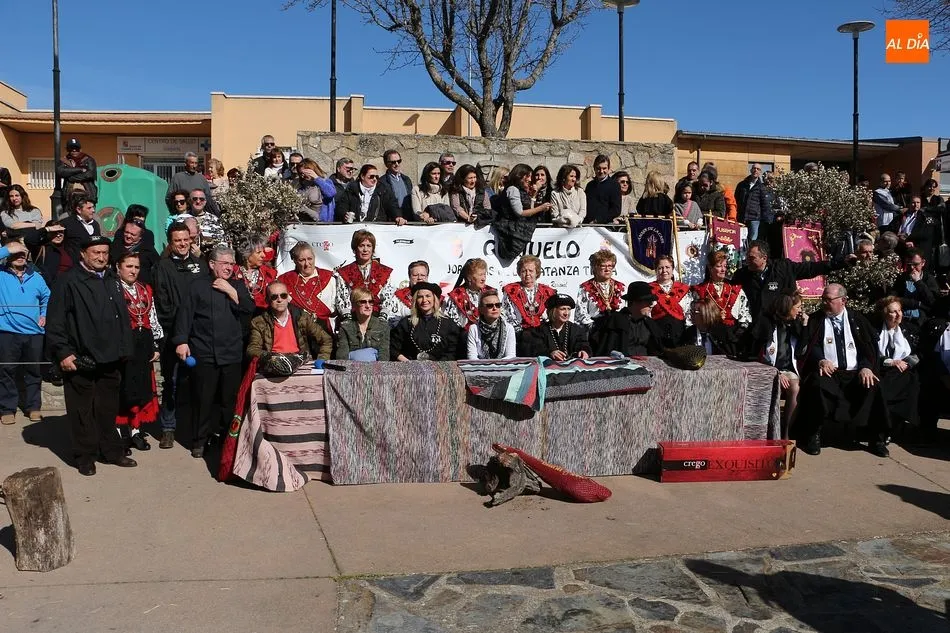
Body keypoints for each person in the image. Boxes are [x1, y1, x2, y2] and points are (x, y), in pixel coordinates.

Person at [46, 235, 137, 475]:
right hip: (81, 357)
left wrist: (125, 349)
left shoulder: (111, 279)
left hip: (110, 357)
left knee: (108, 409)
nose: (101, 257)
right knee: (81, 411)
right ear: (83, 254)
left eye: (105, 253)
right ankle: (84, 456)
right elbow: (55, 322)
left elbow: (121, 318)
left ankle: (111, 451)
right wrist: (64, 353)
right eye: (95, 252)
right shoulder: (68, 281)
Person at [173, 245, 254, 458]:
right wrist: (181, 341)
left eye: (231, 263)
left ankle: (228, 439)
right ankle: (200, 440)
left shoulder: (238, 285)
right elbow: (185, 315)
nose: (229, 267)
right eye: (224, 263)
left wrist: (230, 290)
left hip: (231, 353)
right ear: (211, 264)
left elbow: (248, 309)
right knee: (203, 399)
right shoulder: (196, 286)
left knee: (229, 402)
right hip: (204, 352)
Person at [795, 283, 887, 458]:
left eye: (828, 300)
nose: (824, 303)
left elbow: (869, 348)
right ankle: (813, 435)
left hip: (855, 372)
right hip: (829, 371)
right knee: (816, 385)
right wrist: (820, 360)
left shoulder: (857, 319)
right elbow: (809, 347)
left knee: (874, 386)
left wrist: (866, 367)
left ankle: (877, 439)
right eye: (823, 299)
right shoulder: (817, 320)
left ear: (843, 301)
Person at [152, 222, 209, 449]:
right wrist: (180, 336)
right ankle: (168, 428)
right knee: (172, 383)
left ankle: (199, 431)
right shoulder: (162, 267)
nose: (183, 244)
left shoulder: (201, 266)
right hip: (173, 337)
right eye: (178, 240)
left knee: (200, 385)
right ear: (170, 242)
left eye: (186, 239)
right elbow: (163, 305)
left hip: (199, 336)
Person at [114, 252, 163, 452]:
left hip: (143, 344)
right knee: (122, 391)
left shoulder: (145, 289)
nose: (133, 270)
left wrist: (156, 345)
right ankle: (117, 434)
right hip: (122, 346)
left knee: (140, 389)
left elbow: (152, 317)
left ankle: (135, 431)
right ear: (118, 267)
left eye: (136, 267)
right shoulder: (112, 289)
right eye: (129, 266)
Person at [732, 240, 840, 324]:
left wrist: (840, 263)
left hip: (783, 326)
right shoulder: (741, 275)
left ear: (764, 258)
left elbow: (811, 268)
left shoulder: (783, 268)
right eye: (747, 257)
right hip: (755, 330)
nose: (747, 261)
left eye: (752, 258)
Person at [0, 239, 48, 426]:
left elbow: (47, 296)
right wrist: (7, 248)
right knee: (6, 371)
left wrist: (44, 314)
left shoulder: (36, 276)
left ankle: (33, 407)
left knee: (34, 371)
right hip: (6, 331)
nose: (21, 255)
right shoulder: (1, 274)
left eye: (23, 252)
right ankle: (7, 409)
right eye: (16, 252)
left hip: (34, 333)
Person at [750, 291, 807, 439]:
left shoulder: (795, 324)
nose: (800, 310)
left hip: (789, 369)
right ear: (788, 308)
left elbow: (802, 351)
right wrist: (775, 372)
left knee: (795, 387)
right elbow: (756, 354)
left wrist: (805, 327)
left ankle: (786, 434)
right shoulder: (766, 322)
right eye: (798, 307)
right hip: (768, 369)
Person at [247, 281, 333, 361]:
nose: (279, 300)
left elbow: (326, 339)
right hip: (273, 364)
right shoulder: (259, 322)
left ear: (288, 298)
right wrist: (271, 357)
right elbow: (252, 350)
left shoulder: (302, 317)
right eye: (274, 297)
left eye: (283, 295)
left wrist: (322, 359)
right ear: (267, 300)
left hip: (300, 363)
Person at [874, 296, 920, 433]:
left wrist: (907, 362)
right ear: (884, 313)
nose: (899, 314)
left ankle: (896, 423)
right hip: (882, 370)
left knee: (911, 383)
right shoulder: (875, 330)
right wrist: (890, 362)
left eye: (900, 310)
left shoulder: (910, 329)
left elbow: (920, 352)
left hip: (906, 371)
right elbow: (871, 353)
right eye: (893, 311)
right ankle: (884, 425)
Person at [492, 163, 553, 262]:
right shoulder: (513, 189)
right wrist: (541, 208)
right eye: (528, 176)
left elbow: (530, 210)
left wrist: (533, 196)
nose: (530, 179)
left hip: (517, 229)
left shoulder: (522, 191)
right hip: (511, 231)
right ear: (520, 175)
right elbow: (520, 212)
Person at [589, 281, 665, 357]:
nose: (651, 305)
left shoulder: (649, 324)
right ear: (635, 302)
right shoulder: (616, 321)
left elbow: (657, 350)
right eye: (647, 302)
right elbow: (607, 349)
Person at [391, 282, 462, 361]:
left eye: (428, 296)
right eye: (420, 297)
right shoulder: (406, 323)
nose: (424, 300)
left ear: (434, 298)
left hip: (440, 369)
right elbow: (393, 349)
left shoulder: (448, 324)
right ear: (415, 300)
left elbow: (453, 352)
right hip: (410, 368)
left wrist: (437, 366)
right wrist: (408, 363)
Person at [278, 241, 339, 332]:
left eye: (310, 259)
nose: (307, 264)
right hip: (296, 330)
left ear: (314, 257)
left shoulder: (329, 278)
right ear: (294, 261)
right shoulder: (285, 281)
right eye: (302, 260)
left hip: (326, 331)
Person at [334, 229, 395, 318]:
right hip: (353, 318)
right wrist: (348, 319)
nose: (365, 249)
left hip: (378, 317)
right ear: (355, 249)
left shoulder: (384, 271)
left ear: (373, 249)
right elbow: (342, 297)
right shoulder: (345, 272)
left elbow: (388, 297)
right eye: (361, 246)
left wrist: (382, 317)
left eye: (369, 246)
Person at [517, 294, 592, 359]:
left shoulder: (576, 329)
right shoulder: (539, 330)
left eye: (568, 309)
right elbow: (536, 350)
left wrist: (584, 351)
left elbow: (583, 344)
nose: (566, 313)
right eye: (562, 309)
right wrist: (550, 353)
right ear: (553, 311)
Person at [691, 250, 751, 329]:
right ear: (710, 267)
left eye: (725, 266)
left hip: (732, 334)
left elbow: (745, 314)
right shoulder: (700, 290)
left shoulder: (735, 288)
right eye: (719, 266)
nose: (723, 270)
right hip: (710, 333)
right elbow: (694, 316)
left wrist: (740, 332)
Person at [335, 164, 405, 225]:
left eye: (376, 177)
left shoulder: (383, 189)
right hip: (355, 227)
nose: (374, 179)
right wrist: (344, 214)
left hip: (377, 227)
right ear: (362, 176)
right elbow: (342, 206)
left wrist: (398, 216)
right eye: (371, 176)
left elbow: (393, 205)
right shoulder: (351, 189)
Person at [502, 255, 555, 333]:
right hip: (519, 334)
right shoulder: (511, 290)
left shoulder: (547, 291)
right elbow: (506, 314)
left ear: (537, 272)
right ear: (519, 273)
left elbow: (552, 315)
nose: (527, 274)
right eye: (524, 271)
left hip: (543, 333)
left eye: (531, 271)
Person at [335, 287, 389, 361]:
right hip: (351, 369)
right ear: (354, 304)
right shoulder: (345, 327)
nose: (368, 306)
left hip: (375, 370)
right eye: (363, 302)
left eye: (370, 302)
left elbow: (384, 357)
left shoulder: (383, 326)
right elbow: (342, 358)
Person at [649, 255, 691, 348]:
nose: (664, 271)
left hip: (679, 336)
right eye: (660, 268)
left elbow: (688, 313)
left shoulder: (683, 289)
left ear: (672, 269)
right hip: (656, 337)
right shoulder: (649, 289)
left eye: (667, 267)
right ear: (656, 270)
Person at [575, 250, 625, 327]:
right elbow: (581, 314)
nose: (607, 269)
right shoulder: (585, 287)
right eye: (603, 266)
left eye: (610, 266)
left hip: (618, 329)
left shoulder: (621, 287)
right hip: (595, 331)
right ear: (595, 267)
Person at [444, 257, 495, 329]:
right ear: (469, 278)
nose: (483, 278)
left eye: (484, 274)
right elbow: (451, 324)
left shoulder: (491, 292)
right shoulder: (456, 295)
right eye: (480, 275)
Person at [892, 249, 939, 326]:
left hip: (922, 321)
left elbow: (932, 301)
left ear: (923, 263)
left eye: (915, 264)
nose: (912, 267)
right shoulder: (900, 278)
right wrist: (917, 304)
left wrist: (918, 282)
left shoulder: (929, 279)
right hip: (902, 319)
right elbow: (893, 298)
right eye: (909, 264)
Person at [233, 233, 278, 313]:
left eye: (263, 251)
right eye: (258, 252)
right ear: (247, 254)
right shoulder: (234, 272)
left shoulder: (267, 273)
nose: (263, 255)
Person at [467, 289, 517, 359]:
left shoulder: (508, 328)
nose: (494, 308)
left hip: (503, 367)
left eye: (497, 305)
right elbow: (472, 357)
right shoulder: (474, 328)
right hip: (480, 367)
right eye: (490, 306)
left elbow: (511, 356)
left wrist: (495, 364)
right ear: (481, 310)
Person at [109, 217, 160, 285]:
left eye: (133, 234)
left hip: (141, 289)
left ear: (140, 237)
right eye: (126, 232)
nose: (128, 236)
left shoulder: (148, 250)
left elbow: (158, 269)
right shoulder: (115, 246)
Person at [887, 195, 938, 262]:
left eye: (918, 202)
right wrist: (899, 237)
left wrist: (909, 239)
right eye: (913, 202)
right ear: (909, 204)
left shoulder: (925, 217)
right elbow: (891, 229)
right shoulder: (900, 217)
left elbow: (926, 234)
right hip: (900, 248)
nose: (915, 205)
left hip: (916, 249)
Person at [383, 260, 433, 327]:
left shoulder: (435, 297)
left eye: (422, 275)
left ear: (427, 277)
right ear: (409, 277)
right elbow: (392, 320)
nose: (419, 278)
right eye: (415, 275)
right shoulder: (398, 297)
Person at [26, 220, 69, 288]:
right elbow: (29, 239)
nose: (58, 235)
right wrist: (47, 229)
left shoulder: (69, 247)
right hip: (50, 288)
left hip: (69, 287)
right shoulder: (41, 247)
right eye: (54, 232)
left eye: (61, 232)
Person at [61, 194, 101, 264]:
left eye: (93, 207)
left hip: (94, 266)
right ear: (79, 210)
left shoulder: (95, 224)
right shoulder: (66, 224)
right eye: (89, 208)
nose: (93, 210)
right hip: (74, 267)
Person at [736, 164, 770, 241]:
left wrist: (765, 220)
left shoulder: (762, 187)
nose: (756, 170)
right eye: (754, 168)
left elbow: (765, 205)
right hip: (741, 217)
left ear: (760, 172)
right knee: (739, 239)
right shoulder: (741, 185)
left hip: (754, 219)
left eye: (758, 169)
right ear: (751, 170)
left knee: (752, 240)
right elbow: (736, 200)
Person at [584, 154, 621, 225]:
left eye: (604, 168)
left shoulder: (614, 185)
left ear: (609, 168)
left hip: (605, 226)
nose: (601, 171)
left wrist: (597, 221)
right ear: (594, 168)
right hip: (588, 226)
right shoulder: (590, 185)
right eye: (598, 168)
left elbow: (616, 210)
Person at [377, 150, 414, 220]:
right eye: (393, 162)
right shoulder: (382, 182)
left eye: (399, 161)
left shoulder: (406, 179)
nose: (397, 164)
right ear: (386, 164)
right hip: (392, 220)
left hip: (408, 219)